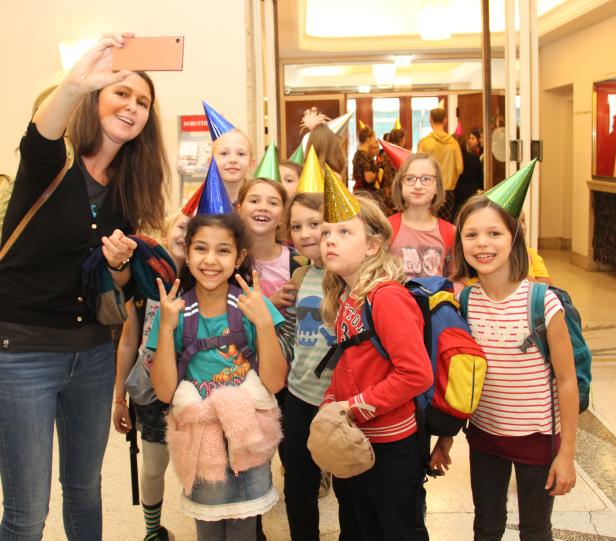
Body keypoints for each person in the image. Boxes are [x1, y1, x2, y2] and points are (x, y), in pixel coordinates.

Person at [0, 33, 169, 540]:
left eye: (143, 102)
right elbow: (43, 129)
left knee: (85, 489)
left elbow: (109, 285)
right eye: (121, 94)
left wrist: (119, 265)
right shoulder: (52, 163)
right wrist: (79, 80)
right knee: (28, 509)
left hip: (93, 354)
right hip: (24, 350)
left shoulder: (129, 186)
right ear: (94, 99)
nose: (133, 107)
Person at [434, 195, 578, 540]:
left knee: (535, 529)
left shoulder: (543, 302)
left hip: (537, 440)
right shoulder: (464, 302)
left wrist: (567, 454)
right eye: (471, 235)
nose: (482, 243)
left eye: (494, 233)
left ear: (514, 238)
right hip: (484, 438)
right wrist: (445, 438)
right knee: (486, 525)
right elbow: (460, 378)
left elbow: (567, 380)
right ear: (460, 243)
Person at [148, 213, 287, 541]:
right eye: (201, 248)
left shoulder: (253, 306)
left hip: (248, 438)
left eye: (223, 251)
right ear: (187, 250)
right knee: (207, 530)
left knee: (243, 529)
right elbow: (166, 392)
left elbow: (276, 383)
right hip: (200, 443)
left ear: (239, 257)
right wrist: (166, 328)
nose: (210, 260)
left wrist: (264, 324)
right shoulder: (175, 311)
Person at [320, 192, 433, 540]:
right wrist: (329, 403)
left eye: (343, 232)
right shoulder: (348, 297)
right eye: (325, 233)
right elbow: (350, 364)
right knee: (357, 527)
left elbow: (416, 374)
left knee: (395, 530)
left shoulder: (386, 297)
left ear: (373, 246)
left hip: (391, 448)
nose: (329, 241)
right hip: (356, 441)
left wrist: (352, 408)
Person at [281, 192, 360, 541]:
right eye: (297, 226)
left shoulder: (348, 275)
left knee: (349, 489)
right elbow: (293, 334)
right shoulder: (298, 277)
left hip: (341, 402)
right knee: (299, 487)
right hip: (299, 396)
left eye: (316, 225)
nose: (308, 233)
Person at [112, 210, 190, 541]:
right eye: (181, 226)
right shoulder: (141, 287)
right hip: (152, 393)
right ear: (166, 232)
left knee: (200, 467)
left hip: (197, 388)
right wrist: (118, 397)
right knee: (154, 466)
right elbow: (128, 341)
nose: (185, 234)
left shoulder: (207, 281)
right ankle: (152, 529)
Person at [389, 153, 455, 280]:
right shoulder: (386, 229)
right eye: (410, 179)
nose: (418, 186)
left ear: (437, 186)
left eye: (426, 179)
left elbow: (456, 281)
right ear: (400, 184)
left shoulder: (450, 233)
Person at [417, 108, 463, 222]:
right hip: (448, 191)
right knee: (445, 224)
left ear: (430, 120)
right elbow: (460, 168)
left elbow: (417, 167)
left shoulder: (425, 143)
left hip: (428, 189)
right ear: (445, 120)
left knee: (427, 222)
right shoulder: (453, 143)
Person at [211, 128, 255, 206]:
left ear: (251, 163)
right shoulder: (199, 204)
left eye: (241, 154)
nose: (233, 160)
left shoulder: (258, 205)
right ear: (210, 162)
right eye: (224, 153)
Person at [453, 133, 484, 218]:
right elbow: (480, 179)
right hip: (470, 196)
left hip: (454, 197)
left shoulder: (450, 159)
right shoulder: (474, 158)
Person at [352, 127, 379, 193]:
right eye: (374, 138)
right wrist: (379, 173)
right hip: (365, 193)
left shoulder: (358, 153)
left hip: (359, 191)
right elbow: (369, 178)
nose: (375, 140)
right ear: (368, 139)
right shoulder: (364, 155)